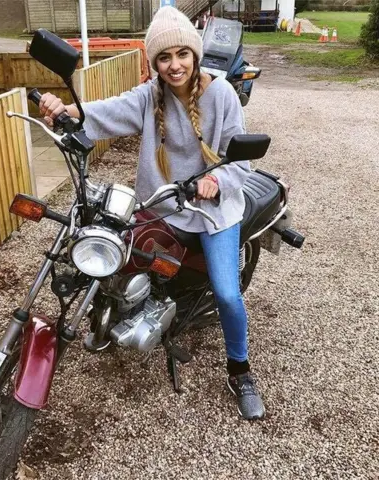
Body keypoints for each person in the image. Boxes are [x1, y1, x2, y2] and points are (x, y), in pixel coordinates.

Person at [39, 6, 265, 420]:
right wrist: (65, 110)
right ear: (154, 62)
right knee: (112, 252)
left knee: (228, 294)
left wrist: (215, 183)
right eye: (164, 57)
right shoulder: (150, 95)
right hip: (161, 204)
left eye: (182, 54)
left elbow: (240, 160)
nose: (174, 65)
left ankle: (240, 369)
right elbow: (103, 112)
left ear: (194, 54)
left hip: (213, 211)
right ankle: (119, 316)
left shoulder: (222, 94)